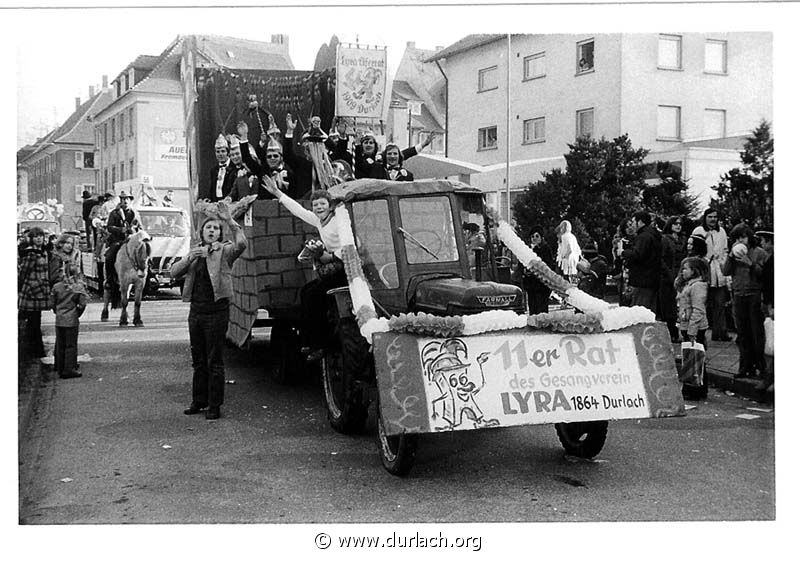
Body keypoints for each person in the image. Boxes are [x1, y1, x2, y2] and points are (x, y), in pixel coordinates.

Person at [171, 201, 247, 420]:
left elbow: (241, 244)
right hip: (196, 312)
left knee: (214, 360)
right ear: (202, 232)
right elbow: (173, 273)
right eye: (208, 228)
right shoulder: (194, 252)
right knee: (198, 360)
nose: (212, 231)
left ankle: (215, 405)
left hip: (216, 312)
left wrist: (230, 221)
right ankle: (198, 401)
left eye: (215, 229)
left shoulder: (225, 252)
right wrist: (191, 257)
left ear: (219, 233)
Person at [261, 176, 345, 361]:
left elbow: (349, 244)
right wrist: (277, 193)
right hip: (331, 265)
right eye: (315, 205)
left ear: (330, 206)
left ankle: (321, 344)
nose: (319, 207)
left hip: (344, 267)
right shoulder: (318, 220)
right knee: (306, 291)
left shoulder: (339, 220)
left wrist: (328, 255)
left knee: (314, 295)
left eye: (322, 204)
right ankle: (310, 341)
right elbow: (298, 210)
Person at [722, 223, 768, 381]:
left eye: (743, 237)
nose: (740, 240)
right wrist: (730, 257)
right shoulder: (734, 254)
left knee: (756, 333)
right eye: (737, 238)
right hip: (738, 294)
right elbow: (725, 271)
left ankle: (761, 367)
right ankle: (744, 366)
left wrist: (749, 262)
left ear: (749, 236)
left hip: (754, 294)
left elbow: (764, 274)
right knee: (742, 333)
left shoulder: (759, 252)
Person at [692, 209, 730, 341]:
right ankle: (697, 332)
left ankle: (720, 332)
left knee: (720, 303)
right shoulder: (698, 231)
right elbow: (695, 250)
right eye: (710, 217)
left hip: (718, 270)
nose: (713, 219)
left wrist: (723, 263)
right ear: (705, 217)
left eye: (715, 217)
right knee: (701, 302)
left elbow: (725, 249)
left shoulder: (722, 231)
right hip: (704, 269)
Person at [674, 256, 710, 399]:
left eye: (686, 268)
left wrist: (692, 331)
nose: (683, 271)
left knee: (694, 358)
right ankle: (694, 388)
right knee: (691, 357)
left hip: (694, 327)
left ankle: (695, 389)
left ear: (695, 271)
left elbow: (698, 310)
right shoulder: (689, 284)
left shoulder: (698, 286)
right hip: (686, 324)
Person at [103, 190, 138, 318]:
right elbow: (109, 227)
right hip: (118, 241)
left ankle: (143, 272)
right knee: (110, 256)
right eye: (123, 199)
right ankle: (109, 278)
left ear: (130, 200)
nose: (125, 201)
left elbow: (139, 227)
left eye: (127, 199)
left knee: (143, 252)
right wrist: (120, 229)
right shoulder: (114, 213)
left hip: (130, 240)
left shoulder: (134, 213)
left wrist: (134, 230)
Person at [18, 227, 51, 359]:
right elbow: (23, 273)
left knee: (35, 321)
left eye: (41, 236)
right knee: (33, 322)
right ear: (31, 239)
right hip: (32, 291)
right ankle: (33, 351)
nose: (39, 238)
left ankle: (35, 350)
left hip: (39, 289)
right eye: (36, 236)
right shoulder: (31, 253)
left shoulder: (41, 252)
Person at [50, 264, 87, 379]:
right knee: (70, 345)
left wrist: (58, 312)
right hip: (71, 319)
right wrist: (77, 314)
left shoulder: (56, 287)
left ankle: (59, 366)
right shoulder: (78, 287)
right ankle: (69, 369)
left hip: (59, 319)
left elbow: (52, 304)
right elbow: (82, 304)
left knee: (60, 344)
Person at [621, 211, 662, 312]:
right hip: (652, 280)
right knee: (649, 312)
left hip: (642, 280)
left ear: (640, 222)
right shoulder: (654, 235)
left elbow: (637, 255)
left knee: (639, 312)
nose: (632, 225)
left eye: (634, 222)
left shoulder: (644, 236)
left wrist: (623, 252)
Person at [659, 216, 686, 342]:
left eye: (680, 224)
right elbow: (662, 259)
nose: (678, 226)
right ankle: (671, 332)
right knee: (669, 306)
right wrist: (670, 275)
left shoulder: (683, 240)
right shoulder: (665, 239)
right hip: (668, 276)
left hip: (682, 274)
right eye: (675, 224)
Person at [755, 227, 774, 392]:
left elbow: (770, 284)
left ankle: (770, 377)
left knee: (772, 343)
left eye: (763, 240)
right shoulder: (769, 259)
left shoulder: (773, 260)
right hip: (768, 302)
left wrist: (770, 304)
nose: (761, 244)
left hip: (772, 304)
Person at [208, 133, 237, 202]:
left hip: (230, 203)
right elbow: (212, 188)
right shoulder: (213, 170)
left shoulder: (234, 168)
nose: (220, 154)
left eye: (223, 151)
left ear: (228, 152)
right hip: (216, 203)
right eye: (218, 152)